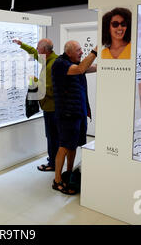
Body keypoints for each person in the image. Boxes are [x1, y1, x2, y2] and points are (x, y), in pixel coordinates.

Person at [51, 41, 97, 195]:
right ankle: (57, 180)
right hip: (67, 114)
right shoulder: (60, 64)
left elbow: (91, 67)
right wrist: (95, 51)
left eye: (81, 50)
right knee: (64, 146)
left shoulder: (75, 63)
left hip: (79, 112)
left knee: (73, 145)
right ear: (69, 52)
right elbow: (81, 68)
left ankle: (68, 173)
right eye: (78, 50)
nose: (81, 53)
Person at [13, 38, 59, 172]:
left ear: (44, 50)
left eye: (39, 48)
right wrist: (23, 45)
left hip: (51, 107)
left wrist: (35, 81)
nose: (37, 50)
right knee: (52, 135)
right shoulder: (50, 59)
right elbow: (34, 53)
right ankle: (54, 157)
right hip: (50, 107)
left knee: (52, 136)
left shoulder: (52, 65)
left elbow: (50, 90)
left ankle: (53, 163)